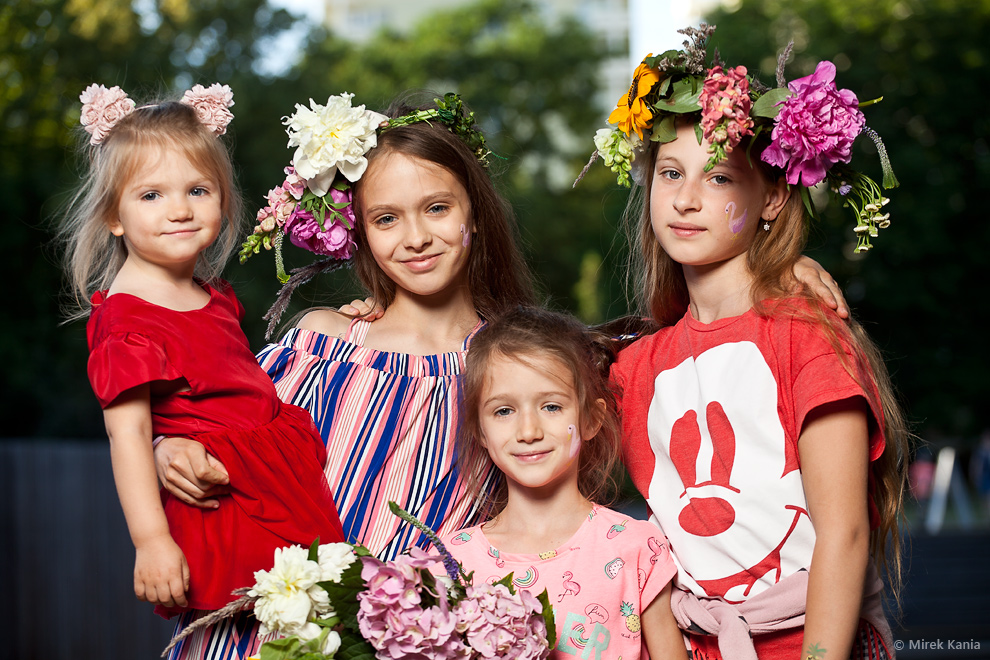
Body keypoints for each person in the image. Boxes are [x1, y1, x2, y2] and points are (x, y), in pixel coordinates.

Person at [152, 91, 537, 658]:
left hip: (409, 641)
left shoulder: (513, 368)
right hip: (262, 631)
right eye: (387, 218)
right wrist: (169, 448)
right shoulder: (323, 342)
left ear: (473, 212)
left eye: (437, 208)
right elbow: (220, 429)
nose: (416, 238)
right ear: (358, 229)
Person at [595, 26, 909, 660]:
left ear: (769, 196)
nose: (684, 199)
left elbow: (844, 533)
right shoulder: (635, 366)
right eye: (670, 173)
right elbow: (512, 372)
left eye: (718, 180)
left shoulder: (804, 335)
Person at [59, 84, 345, 621]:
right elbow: (129, 438)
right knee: (267, 632)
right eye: (151, 195)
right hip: (220, 502)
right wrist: (151, 541)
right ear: (113, 217)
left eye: (198, 190)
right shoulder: (125, 319)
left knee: (320, 622)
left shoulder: (211, 295)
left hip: (276, 478)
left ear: (223, 200)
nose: (180, 210)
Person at [440, 306, 686, 660]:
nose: (528, 432)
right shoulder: (450, 563)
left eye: (551, 407)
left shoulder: (635, 547)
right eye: (504, 411)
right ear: (480, 430)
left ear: (590, 419)